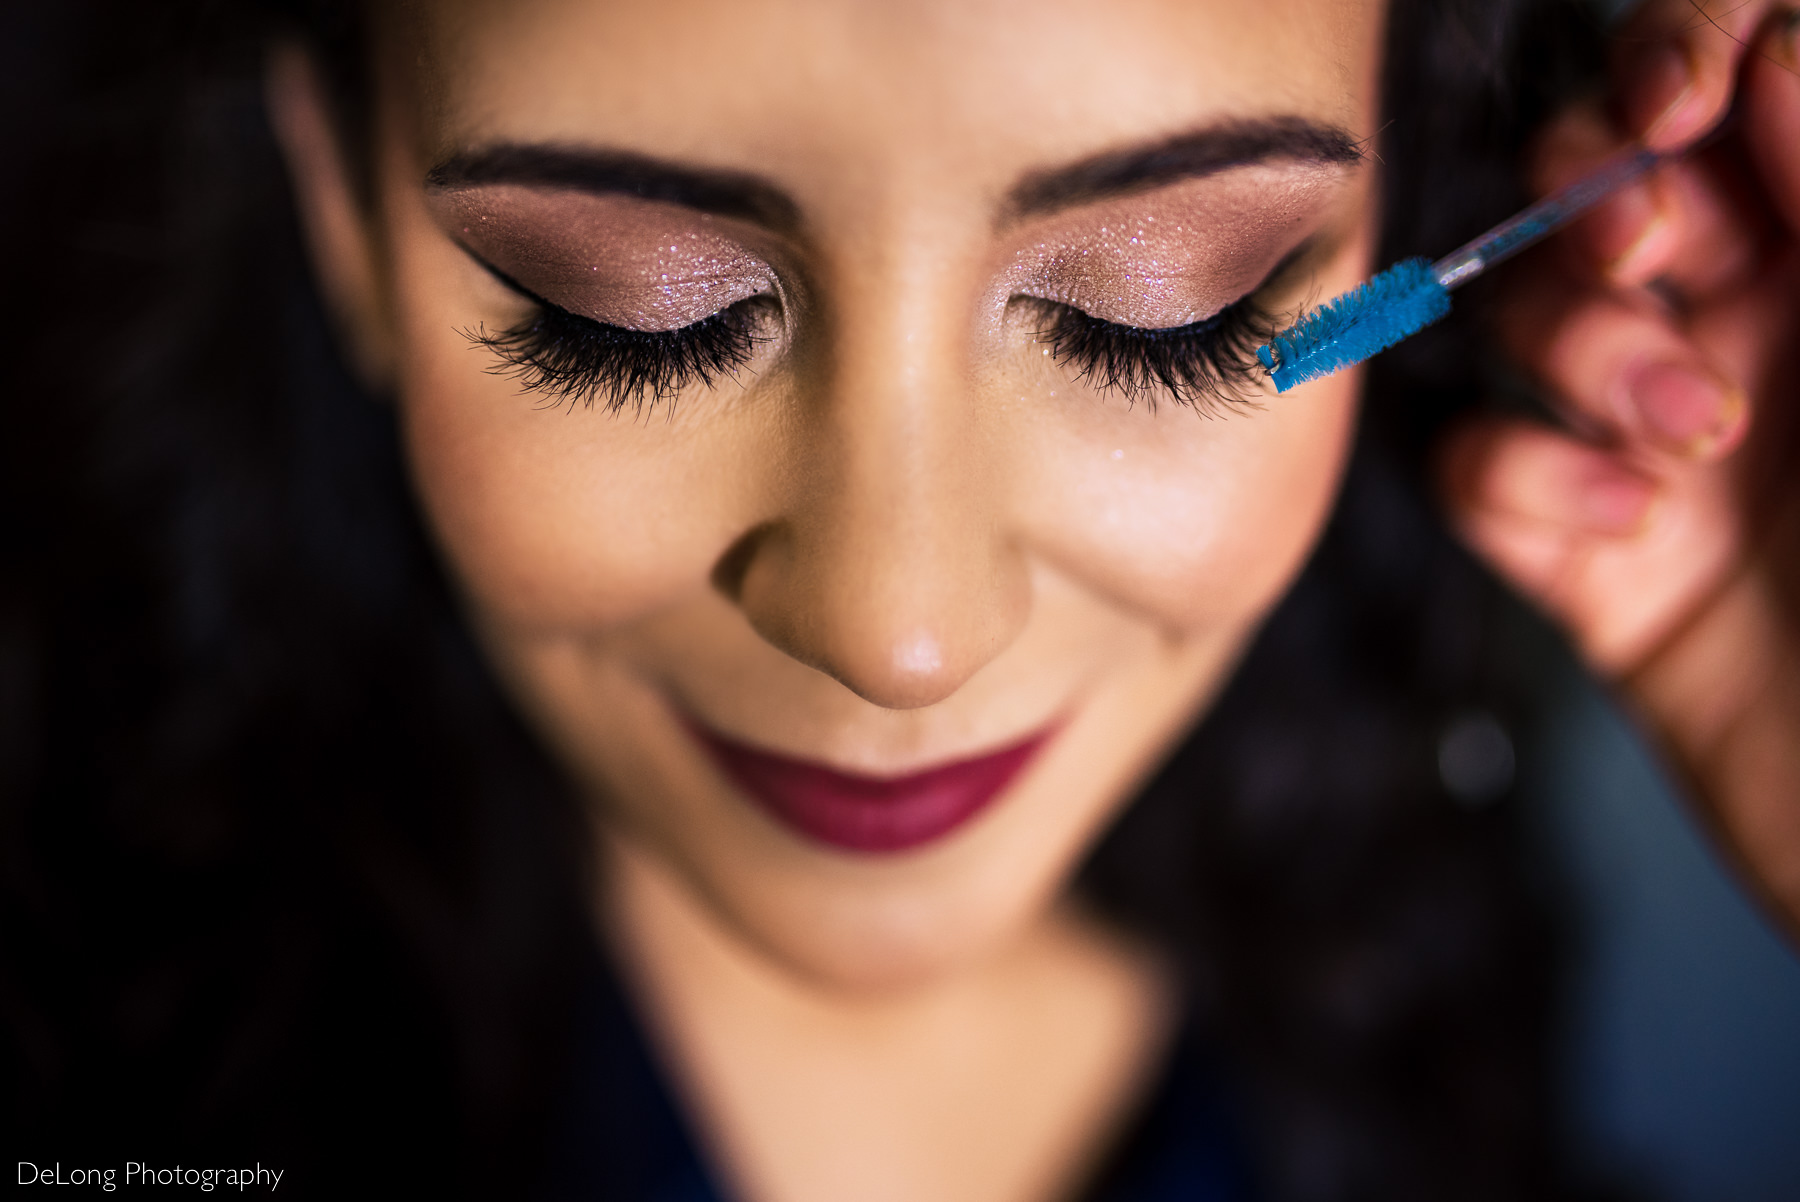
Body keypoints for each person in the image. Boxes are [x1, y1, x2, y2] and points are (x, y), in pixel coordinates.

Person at [3, 0, 1794, 1198]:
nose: (898, 629)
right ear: (342, 213)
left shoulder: (1447, 1084)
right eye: (639, 309)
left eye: (1154, 310)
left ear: (1415, 221)